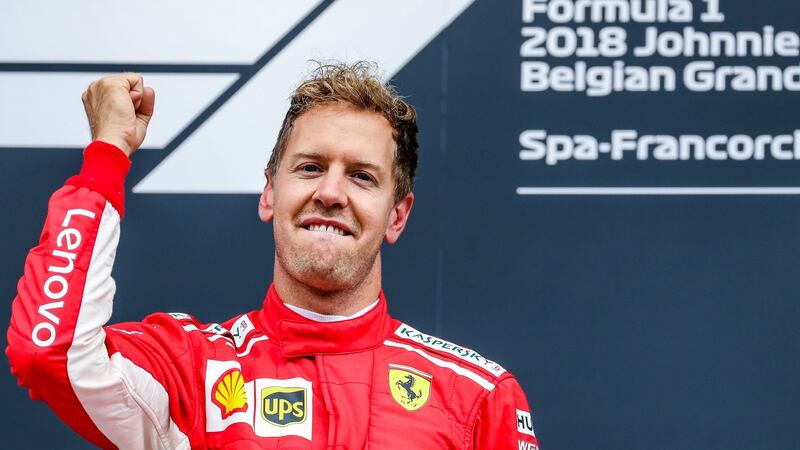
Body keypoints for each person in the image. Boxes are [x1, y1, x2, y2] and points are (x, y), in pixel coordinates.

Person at [6, 62, 539, 450]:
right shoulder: (191, 371)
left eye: (361, 176)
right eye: (309, 168)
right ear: (268, 194)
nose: (330, 193)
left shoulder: (476, 398)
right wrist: (107, 154)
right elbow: (48, 351)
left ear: (397, 215)